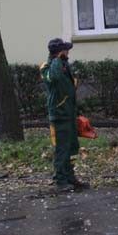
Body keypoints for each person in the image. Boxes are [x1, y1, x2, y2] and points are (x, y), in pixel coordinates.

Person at [40, 38, 89, 192]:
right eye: (65, 50)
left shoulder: (63, 66)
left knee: (71, 148)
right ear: (59, 52)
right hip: (59, 115)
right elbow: (53, 78)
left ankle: (70, 177)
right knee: (61, 149)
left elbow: (70, 87)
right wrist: (57, 59)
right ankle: (60, 180)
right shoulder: (48, 67)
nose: (68, 53)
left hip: (69, 113)